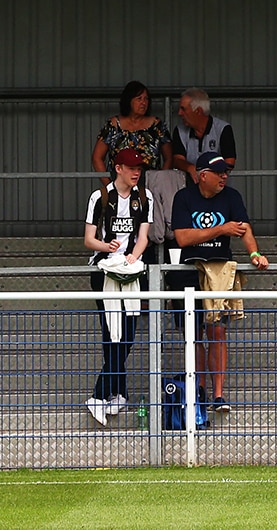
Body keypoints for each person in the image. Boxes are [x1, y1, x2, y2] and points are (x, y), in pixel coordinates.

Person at [171, 152, 270, 412]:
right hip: (188, 271)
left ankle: (218, 396)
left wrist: (255, 254)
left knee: (217, 332)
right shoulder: (183, 197)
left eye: (226, 172)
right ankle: (200, 391)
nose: (224, 176)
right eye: (219, 172)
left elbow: (244, 229)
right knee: (193, 336)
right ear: (203, 176)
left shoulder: (232, 197)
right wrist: (221, 229)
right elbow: (182, 238)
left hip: (220, 272)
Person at [82, 149, 154, 425]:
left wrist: (133, 257)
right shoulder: (100, 197)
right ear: (118, 168)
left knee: (129, 333)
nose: (137, 172)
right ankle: (105, 394)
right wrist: (106, 246)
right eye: (132, 167)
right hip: (105, 270)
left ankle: (112, 393)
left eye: (140, 168)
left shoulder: (144, 197)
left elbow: (143, 236)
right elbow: (89, 239)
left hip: (131, 270)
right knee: (111, 333)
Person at [91, 80, 173, 185]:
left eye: (146, 99)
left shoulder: (157, 125)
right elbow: (97, 157)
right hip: (120, 185)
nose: (143, 103)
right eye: (139, 99)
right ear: (128, 100)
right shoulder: (113, 125)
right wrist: (110, 186)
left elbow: (169, 157)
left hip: (150, 185)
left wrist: (160, 182)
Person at [170, 88, 237, 185]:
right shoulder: (179, 131)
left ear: (198, 111)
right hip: (189, 188)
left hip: (218, 188)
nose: (179, 113)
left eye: (183, 109)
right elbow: (177, 160)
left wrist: (207, 174)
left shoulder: (223, 129)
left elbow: (230, 162)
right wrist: (190, 168)